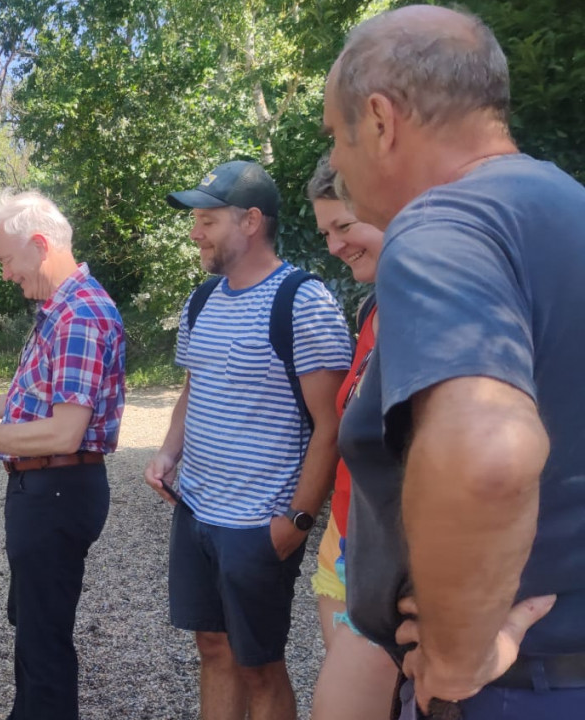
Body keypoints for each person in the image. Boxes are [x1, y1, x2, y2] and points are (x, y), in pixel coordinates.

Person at [324, 5, 585, 717]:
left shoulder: (443, 225)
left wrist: (458, 650)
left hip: (509, 690)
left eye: (334, 138)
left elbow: (489, 450)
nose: (338, 166)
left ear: (379, 120)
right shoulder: (564, 207)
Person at [143, 160, 351, 720]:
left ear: (251, 221)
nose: (195, 233)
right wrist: (168, 451)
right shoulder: (201, 301)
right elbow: (195, 389)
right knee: (212, 648)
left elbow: (331, 424)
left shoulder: (304, 303)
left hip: (259, 524)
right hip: (196, 511)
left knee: (261, 666)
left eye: (207, 220)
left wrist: (297, 521)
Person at [0, 189, 125, 720]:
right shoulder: (58, 310)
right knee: (33, 628)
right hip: (45, 489)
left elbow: (63, 432)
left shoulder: (78, 315)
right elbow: (33, 400)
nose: (6, 274)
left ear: (39, 245)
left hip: (58, 488)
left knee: (45, 639)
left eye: (6, 261)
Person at [303, 154, 397, 720]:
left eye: (345, 225)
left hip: (389, 552)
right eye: (325, 232)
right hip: (344, 537)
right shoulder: (372, 305)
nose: (335, 244)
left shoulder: (428, 309)